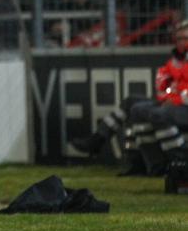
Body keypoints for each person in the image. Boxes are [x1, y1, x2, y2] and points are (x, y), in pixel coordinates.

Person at [72, 19, 188, 173]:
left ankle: (179, 161)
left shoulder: (179, 63)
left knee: (157, 113)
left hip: (182, 106)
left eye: (185, 38)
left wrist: (174, 97)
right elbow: (161, 86)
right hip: (171, 103)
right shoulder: (174, 61)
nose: (181, 42)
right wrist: (170, 95)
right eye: (179, 38)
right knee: (133, 105)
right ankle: (144, 163)